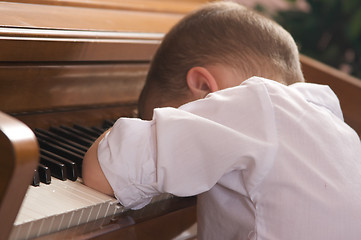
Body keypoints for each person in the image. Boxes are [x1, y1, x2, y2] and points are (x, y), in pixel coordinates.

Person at [82, 2, 361, 239]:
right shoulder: (335, 127)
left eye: (165, 121)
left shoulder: (255, 104)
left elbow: (104, 170)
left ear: (203, 86)